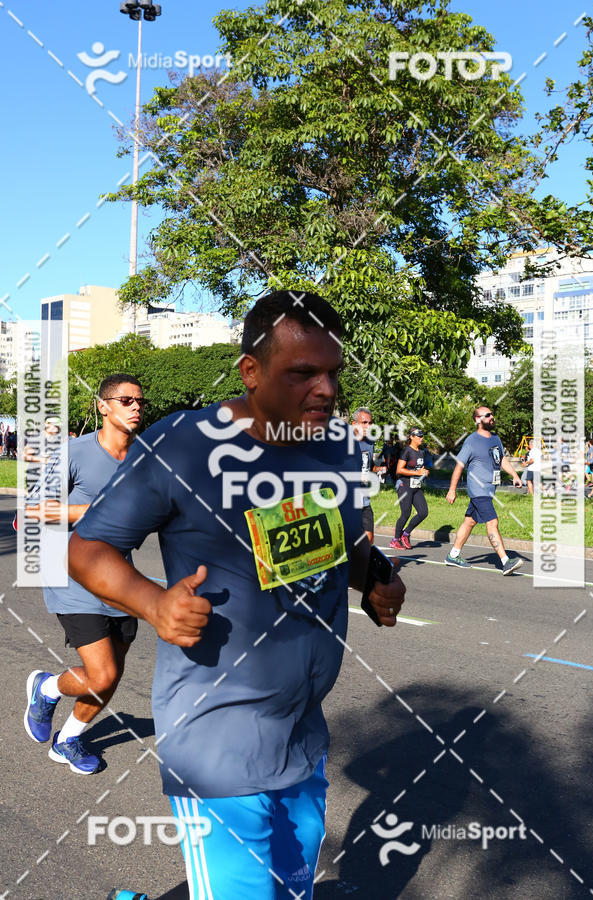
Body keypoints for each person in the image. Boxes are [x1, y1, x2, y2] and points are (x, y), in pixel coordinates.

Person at [68, 291, 407, 899]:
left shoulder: (333, 447)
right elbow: (86, 548)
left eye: (333, 372)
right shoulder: (182, 446)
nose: (326, 390)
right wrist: (152, 604)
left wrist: (375, 575)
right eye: (303, 373)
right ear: (250, 371)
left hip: (302, 734)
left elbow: (336, 543)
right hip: (216, 735)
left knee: (292, 889)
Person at [24, 374, 147, 775]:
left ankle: (68, 739)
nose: (135, 407)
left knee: (112, 674)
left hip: (120, 580)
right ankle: (46, 688)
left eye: (140, 402)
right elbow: (34, 510)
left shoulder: (144, 460)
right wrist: (92, 511)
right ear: (103, 406)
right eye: (125, 400)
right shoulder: (75, 452)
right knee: (103, 672)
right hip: (72, 574)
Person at [445, 406, 523, 575]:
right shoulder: (471, 441)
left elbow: (501, 459)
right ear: (478, 420)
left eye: (492, 414)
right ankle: (505, 561)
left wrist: (515, 475)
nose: (491, 417)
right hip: (478, 489)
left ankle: (453, 555)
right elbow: (459, 466)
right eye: (487, 415)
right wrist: (452, 489)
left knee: (470, 521)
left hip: (489, 489)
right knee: (492, 522)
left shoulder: (495, 438)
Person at [390, 427, 430, 550]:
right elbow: (399, 470)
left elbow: (420, 468)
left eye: (422, 436)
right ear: (411, 437)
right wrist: (417, 473)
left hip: (416, 486)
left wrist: (424, 472)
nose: (421, 438)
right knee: (405, 514)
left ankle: (405, 534)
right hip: (404, 485)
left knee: (423, 512)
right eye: (419, 436)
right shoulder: (406, 451)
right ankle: (395, 540)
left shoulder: (422, 452)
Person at [352, 407, 387, 544]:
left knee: (369, 539)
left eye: (370, 423)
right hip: (348, 498)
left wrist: (377, 469)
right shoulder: (343, 443)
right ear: (354, 424)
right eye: (364, 422)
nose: (368, 426)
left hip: (364, 497)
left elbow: (367, 464)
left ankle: (364, 564)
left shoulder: (369, 443)